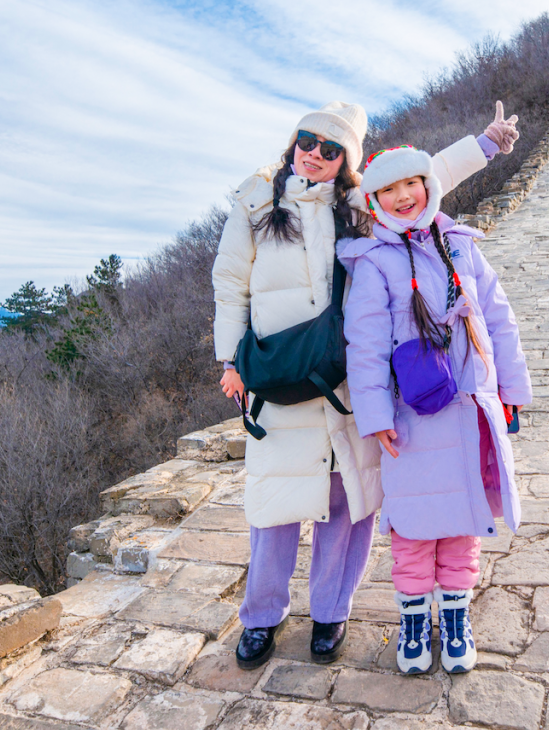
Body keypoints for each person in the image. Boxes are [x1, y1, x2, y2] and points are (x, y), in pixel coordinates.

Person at [211, 100, 519, 670]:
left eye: (331, 150)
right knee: (274, 506)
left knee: (346, 505)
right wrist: (229, 358)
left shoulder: (358, 205)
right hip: (279, 376)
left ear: (346, 161)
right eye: (308, 142)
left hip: (345, 382)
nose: (315, 155)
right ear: (293, 143)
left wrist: (484, 144)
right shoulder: (255, 202)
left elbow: (420, 179)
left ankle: (331, 612)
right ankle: (261, 616)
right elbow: (230, 282)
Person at [339, 144, 532, 674]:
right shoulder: (373, 262)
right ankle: (413, 621)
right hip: (411, 417)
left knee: (463, 520)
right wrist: (375, 417)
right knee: (414, 525)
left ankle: (455, 617)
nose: (403, 196)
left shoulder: (461, 245)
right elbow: (365, 345)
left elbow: (499, 317)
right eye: (388, 189)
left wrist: (511, 385)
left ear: (428, 185)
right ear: (374, 200)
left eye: (411, 184)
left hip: (469, 407)